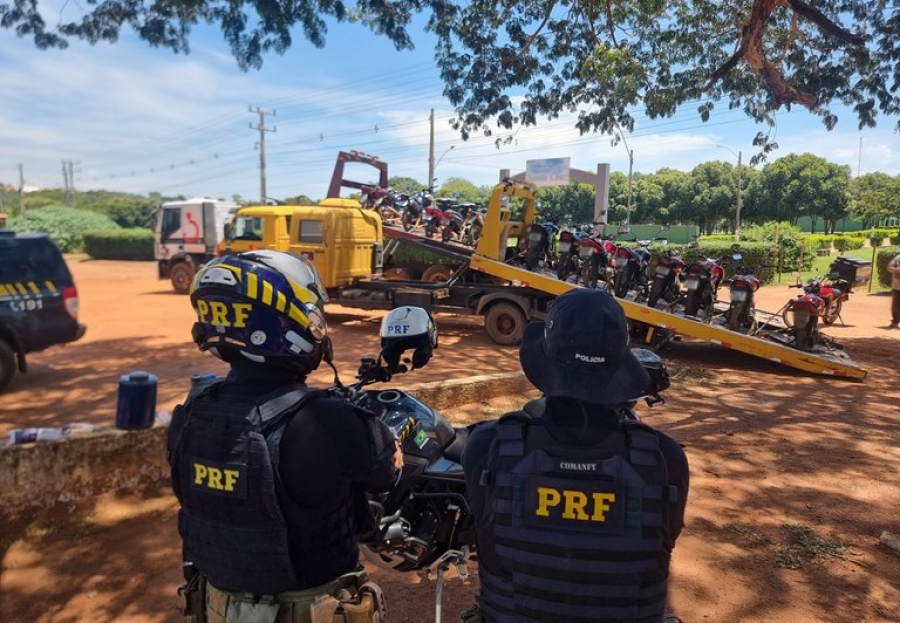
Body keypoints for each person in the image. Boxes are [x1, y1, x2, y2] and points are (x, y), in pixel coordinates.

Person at [166, 250, 402, 623]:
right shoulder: (326, 421)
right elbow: (386, 473)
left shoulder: (191, 414)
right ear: (286, 318)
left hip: (214, 608)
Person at [461, 288, 689, 623]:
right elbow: (663, 541)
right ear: (620, 364)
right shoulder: (664, 460)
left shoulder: (487, 446)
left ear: (545, 360)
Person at [887, 252, 900, 329]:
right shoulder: (898, 258)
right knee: (895, 306)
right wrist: (896, 270)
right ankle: (896, 322)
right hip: (897, 286)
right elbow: (889, 268)